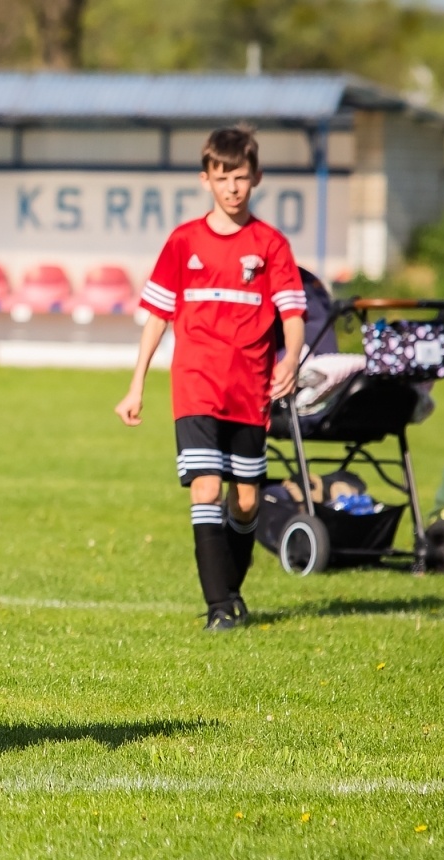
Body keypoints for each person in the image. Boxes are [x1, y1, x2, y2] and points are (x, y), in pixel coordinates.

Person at [115, 126, 306, 630]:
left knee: (245, 501)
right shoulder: (184, 242)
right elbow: (157, 316)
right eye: (222, 178)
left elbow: (292, 314)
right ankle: (220, 607)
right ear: (206, 180)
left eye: (240, 177)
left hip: (250, 390)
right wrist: (136, 384)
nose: (232, 188)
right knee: (204, 488)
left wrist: (290, 358)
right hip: (195, 385)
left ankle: (230, 592)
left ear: (256, 178)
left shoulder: (270, 245)